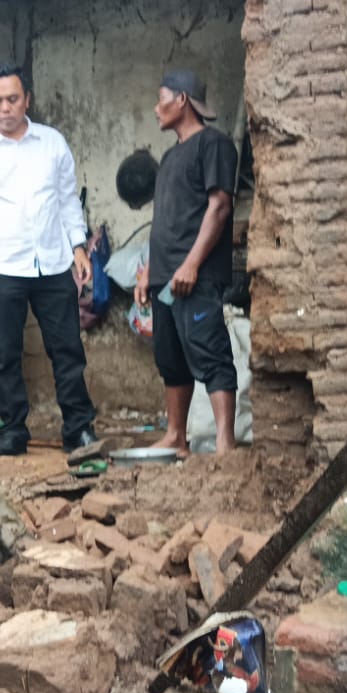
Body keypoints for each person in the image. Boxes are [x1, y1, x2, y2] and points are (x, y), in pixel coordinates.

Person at [0, 63, 101, 460]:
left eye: (13, 99)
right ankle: (13, 431)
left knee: (67, 349)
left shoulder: (52, 144)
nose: (6, 108)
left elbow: (67, 200)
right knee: (4, 353)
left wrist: (78, 246)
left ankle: (79, 428)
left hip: (52, 264)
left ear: (27, 100)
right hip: (0, 266)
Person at [134, 69, 239, 455]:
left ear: (181, 100)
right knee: (170, 358)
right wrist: (148, 272)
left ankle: (225, 443)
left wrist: (192, 264)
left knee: (209, 350)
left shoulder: (214, 144)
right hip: (164, 276)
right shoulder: (169, 157)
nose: (155, 108)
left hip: (196, 275)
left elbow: (220, 206)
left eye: (161, 98)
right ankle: (176, 435)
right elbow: (164, 221)